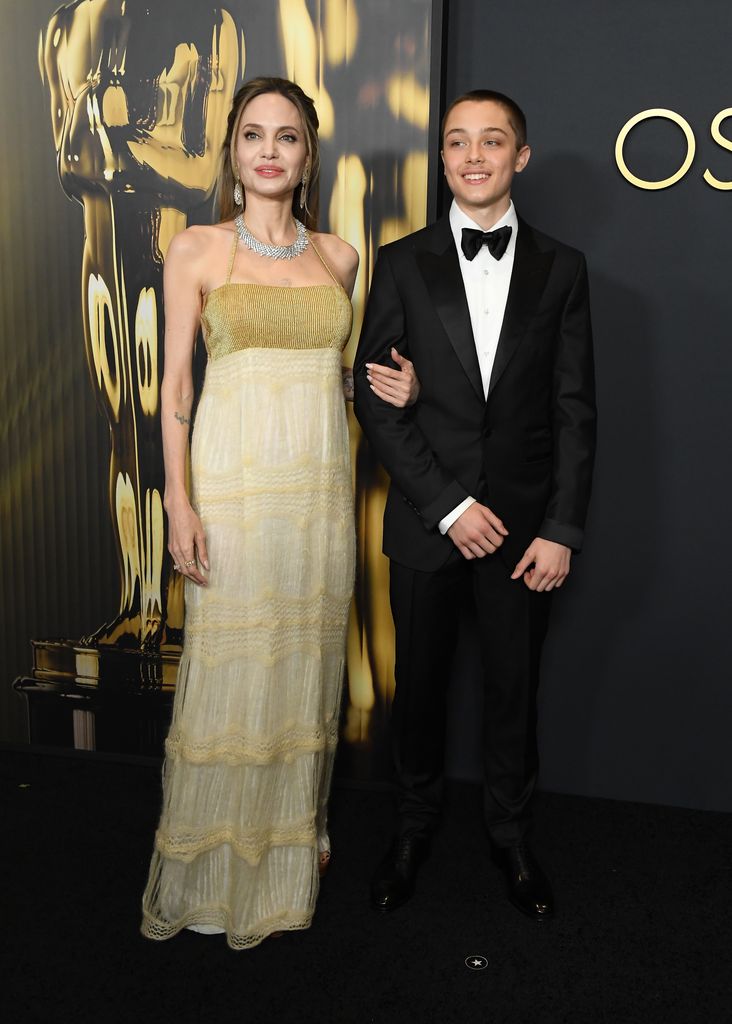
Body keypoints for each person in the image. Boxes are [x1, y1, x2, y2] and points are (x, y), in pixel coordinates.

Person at [141, 76, 418, 949]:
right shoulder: (195, 248)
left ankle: (293, 837)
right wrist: (179, 504)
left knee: (303, 668)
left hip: (317, 496)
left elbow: (332, 377)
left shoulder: (340, 257)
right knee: (233, 672)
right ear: (232, 152)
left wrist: (395, 388)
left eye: (287, 137)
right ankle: (218, 866)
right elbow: (176, 389)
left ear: (306, 157)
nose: (269, 149)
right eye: (253, 134)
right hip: (235, 489)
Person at [354, 89, 596, 920]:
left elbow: (575, 410)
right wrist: (450, 507)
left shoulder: (563, 268)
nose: (474, 155)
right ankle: (412, 830)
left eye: (493, 142)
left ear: (519, 157)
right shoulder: (399, 260)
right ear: (446, 158)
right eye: (458, 142)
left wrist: (562, 529)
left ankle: (511, 837)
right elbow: (378, 397)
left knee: (512, 694)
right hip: (430, 524)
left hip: (526, 534)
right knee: (416, 693)